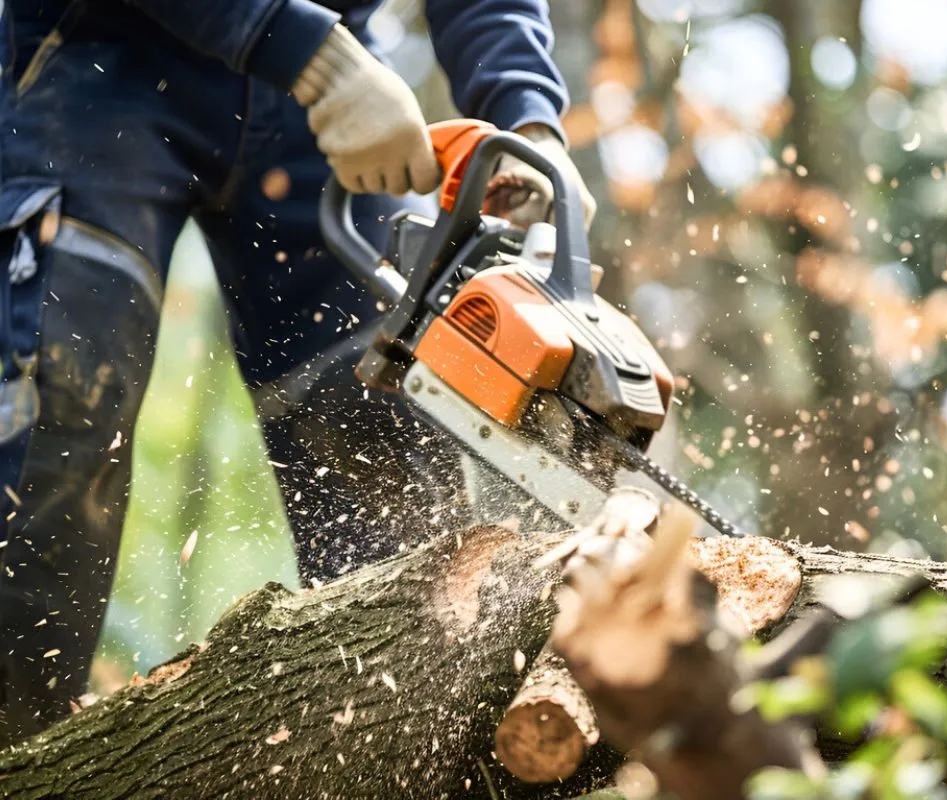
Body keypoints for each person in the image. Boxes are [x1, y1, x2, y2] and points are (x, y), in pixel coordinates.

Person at [0, 0, 596, 743]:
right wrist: (314, 55)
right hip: (99, 51)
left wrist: (524, 112)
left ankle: (399, 743)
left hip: (322, 93)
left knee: (387, 414)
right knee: (57, 408)